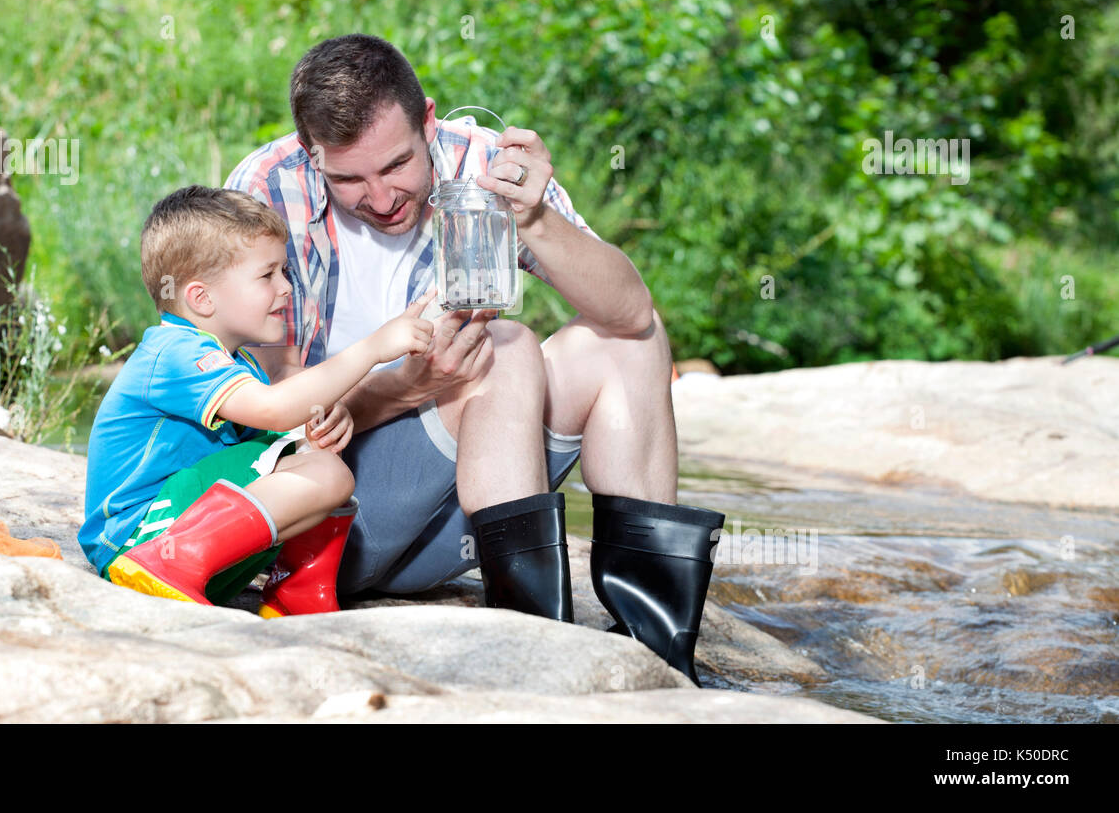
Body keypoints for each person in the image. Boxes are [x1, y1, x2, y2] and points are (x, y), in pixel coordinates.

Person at [225, 34, 726, 685]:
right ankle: (533, 649)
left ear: (429, 120)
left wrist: (538, 219)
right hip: (331, 526)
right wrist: (406, 388)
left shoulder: (485, 162)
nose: (379, 198)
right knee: (509, 344)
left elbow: (631, 312)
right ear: (309, 153)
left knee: (627, 340)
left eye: (398, 165)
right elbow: (277, 420)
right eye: (347, 179)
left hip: (467, 519)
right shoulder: (267, 190)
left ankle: (656, 651)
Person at [79, 185, 434, 612]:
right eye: (267, 275)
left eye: (283, 272)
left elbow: (276, 426)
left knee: (319, 463)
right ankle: (170, 563)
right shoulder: (174, 352)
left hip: (188, 542)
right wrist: (372, 349)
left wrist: (313, 426)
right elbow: (272, 408)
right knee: (322, 474)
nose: (286, 288)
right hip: (134, 539)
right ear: (201, 297)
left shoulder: (238, 362)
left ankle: (295, 590)